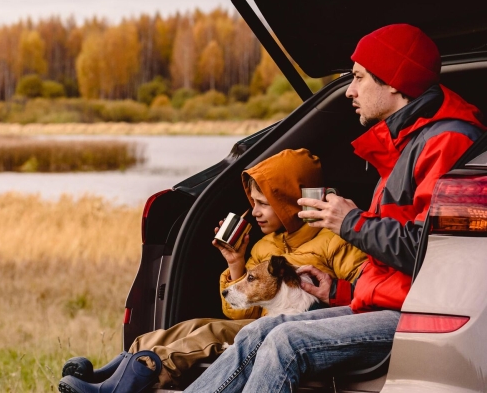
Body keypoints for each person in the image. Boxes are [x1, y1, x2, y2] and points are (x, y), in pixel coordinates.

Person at [184, 23, 485, 393]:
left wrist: (350, 222)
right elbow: (395, 267)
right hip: (388, 305)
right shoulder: (405, 143)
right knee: (258, 331)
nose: (350, 91)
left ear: (393, 81)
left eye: (358, 77)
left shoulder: (447, 141)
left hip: (418, 313)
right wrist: (339, 292)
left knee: (285, 344)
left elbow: (435, 255)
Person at [58, 149, 367, 393]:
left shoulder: (333, 239)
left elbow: (363, 292)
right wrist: (236, 263)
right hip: (261, 326)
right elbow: (241, 312)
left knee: (210, 333)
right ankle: (118, 369)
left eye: (264, 204)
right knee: (187, 328)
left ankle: (133, 380)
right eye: (253, 203)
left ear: (289, 202)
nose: (255, 211)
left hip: (297, 328)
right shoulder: (264, 247)